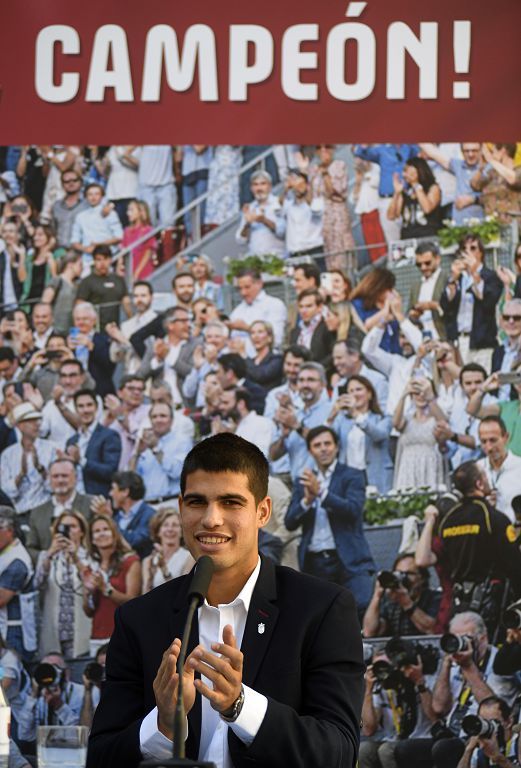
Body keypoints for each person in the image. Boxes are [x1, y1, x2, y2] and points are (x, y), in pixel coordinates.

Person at [87, 432, 364, 768]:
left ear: (263, 512)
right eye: (197, 502)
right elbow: (101, 757)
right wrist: (162, 724)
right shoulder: (139, 619)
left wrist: (240, 705)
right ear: (180, 508)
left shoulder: (321, 609)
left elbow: (338, 753)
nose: (211, 519)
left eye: (231, 502)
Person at [394, 612, 508, 768]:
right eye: (455, 638)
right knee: (404, 749)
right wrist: (446, 666)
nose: (459, 644)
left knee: (443, 749)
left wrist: (468, 666)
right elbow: (439, 707)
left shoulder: (498, 662)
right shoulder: (455, 661)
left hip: (478, 734)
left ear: (483, 639)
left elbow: (492, 705)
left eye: (465, 638)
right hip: (451, 732)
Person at [285, 425, 373, 619]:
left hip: (349, 559)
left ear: (337, 447)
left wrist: (322, 494)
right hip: (315, 562)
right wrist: (307, 501)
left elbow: (353, 510)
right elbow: (289, 522)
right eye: (317, 445)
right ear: (310, 450)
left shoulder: (352, 475)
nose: (323, 448)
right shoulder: (304, 481)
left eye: (327, 444)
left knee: (361, 608)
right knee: (321, 619)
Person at [432, 461, 521, 633]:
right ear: (479, 483)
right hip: (492, 602)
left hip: (458, 603)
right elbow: (515, 566)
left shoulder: (448, 520)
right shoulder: (493, 517)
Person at [35, 510, 92, 658]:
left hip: (80, 628)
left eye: (72, 526)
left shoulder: (90, 556)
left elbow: (92, 587)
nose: (68, 530)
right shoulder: (47, 556)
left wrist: (76, 558)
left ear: (82, 531)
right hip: (54, 629)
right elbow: (37, 584)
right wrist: (49, 554)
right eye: (63, 526)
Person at [440, 235, 503, 369]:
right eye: (464, 249)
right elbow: (445, 305)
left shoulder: (490, 276)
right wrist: (453, 279)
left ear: (481, 253)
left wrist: (475, 275)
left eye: (473, 248)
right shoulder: (457, 277)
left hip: (482, 341)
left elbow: (488, 302)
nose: (467, 253)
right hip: (459, 340)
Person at [82, 514, 141, 656]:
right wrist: (88, 592)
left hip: (122, 634)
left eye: (105, 529)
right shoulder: (91, 567)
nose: (101, 533)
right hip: (97, 636)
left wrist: (106, 589)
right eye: (96, 531)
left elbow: (133, 602)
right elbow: (88, 611)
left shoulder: (130, 561)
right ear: (92, 539)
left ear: (114, 534)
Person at [329, 375, 393, 493]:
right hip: (349, 477)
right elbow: (327, 440)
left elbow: (378, 435)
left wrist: (355, 413)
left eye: (358, 389)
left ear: (369, 394)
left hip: (375, 476)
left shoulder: (383, 419)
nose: (354, 394)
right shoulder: (342, 421)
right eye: (350, 391)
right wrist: (331, 416)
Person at [269, 361, 332, 481]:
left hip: (322, 484)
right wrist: (283, 437)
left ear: (323, 385)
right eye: (301, 380)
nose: (305, 384)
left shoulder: (331, 411)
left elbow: (323, 443)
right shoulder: (294, 414)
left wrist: (297, 427)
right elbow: (273, 456)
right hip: (295, 483)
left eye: (311, 380)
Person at [26, 457, 92, 564]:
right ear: (49, 479)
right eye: (55, 476)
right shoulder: (37, 512)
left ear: (75, 478)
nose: (60, 480)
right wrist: (48, 554)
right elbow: (30, 549)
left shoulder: (92, 504)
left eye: (64, 476)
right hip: (49, 574)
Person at [0, 402, 55, 524]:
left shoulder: (51, 448)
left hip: (45, 511)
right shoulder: (8, 454)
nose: (36, 425)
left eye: (37, 420)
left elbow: (54, 487)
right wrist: (21, 475)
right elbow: (7, 491)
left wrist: (41, 469)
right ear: (19, 426)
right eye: (30, 421)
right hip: (20, 514)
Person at [363, 553, 440, 637]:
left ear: (422, 578)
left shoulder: (435, 598)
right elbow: (369, 632)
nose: (403, 577)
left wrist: (407, 603)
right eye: (399, 573)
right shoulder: (390, 601)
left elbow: (431, 629)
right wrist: (377, 596)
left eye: (409, 573)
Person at [130, 401, 194, 503]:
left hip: (171, 503)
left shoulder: (183, 441)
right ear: (150, 420)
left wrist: (156, 449)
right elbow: (131, 479)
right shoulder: (144, 442)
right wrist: (137, 454)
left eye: (163, 416)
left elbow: (178, 472)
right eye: (154, 417)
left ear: (171, 420)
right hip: (147, 505)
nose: (158, 420)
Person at [393, 376, 447, 490]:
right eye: (416, 393)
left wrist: (430, 398)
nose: (421, 396)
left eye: (424, 393)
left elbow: (443, 423)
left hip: (430, 465)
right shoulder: (407, 419)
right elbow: (396, 424)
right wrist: (403, 395)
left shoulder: (436, 416)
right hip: (408, 467)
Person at [65, 388, 122, 496]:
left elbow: (110, 472)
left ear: (96, 408)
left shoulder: (109, 436)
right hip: (75, 500)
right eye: (81, 406)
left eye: (89, 405)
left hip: (98, 500)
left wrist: (81, 461)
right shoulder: (72, 440)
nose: (85, 410)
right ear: (76, 410)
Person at [0, 506, 37, 662]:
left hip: (12, 633)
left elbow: (1, 599)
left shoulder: (17, 561)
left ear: (9, 530)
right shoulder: (5, 553)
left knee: (7, 679)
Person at [308, 144, 354, 268]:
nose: (323, 151)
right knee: (327, 257)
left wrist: (325, 174)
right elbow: (310, 196)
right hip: (320, 219)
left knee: (341, 253)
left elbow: (335, 191)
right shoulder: (313, 169)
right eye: (318, 147)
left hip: (337, 215)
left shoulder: (339, 165)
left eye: (327, 146)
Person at [419, 143, 484, 225]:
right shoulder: (458, 165)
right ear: (462, 152)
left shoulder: (488, 168)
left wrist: (474, 200)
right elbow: (433, 152)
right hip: (459, 224)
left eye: (474, 151)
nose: (470, 154)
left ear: (481, 151)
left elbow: (498, 198)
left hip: (481, 225)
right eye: (466, 151)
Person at [228, 269, 287, 357]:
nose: (243, 293)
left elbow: (276, 339)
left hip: (266, 362)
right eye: (240, 288)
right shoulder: (237, 311)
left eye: (247, 287)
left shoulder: (274, 305)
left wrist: (247, 328)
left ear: (259, 284)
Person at [466, 362, 521, 457]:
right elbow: (473, 410)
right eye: (518, 376)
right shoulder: (506, 407)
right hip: (503, 465)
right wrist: (483, 389)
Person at [70, 182, 123, 273]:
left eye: (96, 194)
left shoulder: (110, 213)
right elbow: (74, 241)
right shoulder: (80, 216)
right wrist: (86, 249)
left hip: (108, 257)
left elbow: (119, 236)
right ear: (86, 197)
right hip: (87, 259)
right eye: (90, 194)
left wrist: (99, 245)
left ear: (102, 196)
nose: (93, 197)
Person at [477, 415, 521, 523]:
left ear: (506, 437)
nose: (489, 447)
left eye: (493, 440)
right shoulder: (476, 469)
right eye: (484, 441)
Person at [76, 244, 131, 327]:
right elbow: (79, 306)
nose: (102, 263)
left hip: (116, 327)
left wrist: (132, 320)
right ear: (94, 261)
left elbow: (126, 303)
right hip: (95, 328)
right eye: (98, 259)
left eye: (105, 259)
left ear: (111, 260)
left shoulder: (119, 280)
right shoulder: (87, 282)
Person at [68, 301, 116, 397]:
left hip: (99, 390)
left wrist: (91, 347)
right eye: (78, 319)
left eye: (85, 319)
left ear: (94, 321)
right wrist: (69, 351)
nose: (81, 323)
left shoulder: (104, 339)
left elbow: (110, 365)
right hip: (74, 389)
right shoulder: (69, 339)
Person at [455, 695, 519, 768]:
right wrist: (468, 751)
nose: (488, 726)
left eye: (493, 721)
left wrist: (501, 760)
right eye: (484, 721)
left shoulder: (517, 744)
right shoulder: (481, 750)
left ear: (509, 722)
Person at [387, 156, 442, 239]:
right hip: (407, 237)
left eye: (407, 171)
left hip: (427, 236)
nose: (404, 174)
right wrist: (396, 193)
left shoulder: (433, 188)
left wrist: (415, 184)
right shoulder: (405, 192)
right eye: (404, 171)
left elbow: (427, 208)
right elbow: (391, 216)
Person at [141, 507, 194, 593]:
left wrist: (164, 569)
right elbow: (144, 595)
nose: (170, 529)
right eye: (165, 525)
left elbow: (181, 592)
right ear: (158, 532)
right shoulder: (148, 561)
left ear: (182, 532)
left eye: (175, 525)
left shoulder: (189, 557)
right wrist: (151, 575)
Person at [350, 268, 402, 354]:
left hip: (392, 355)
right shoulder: (358, 303)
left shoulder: (388, 304)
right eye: (388, 289)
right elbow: (365, 326)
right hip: (373, 355)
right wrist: (385, 310)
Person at [235, 170, 285, 256]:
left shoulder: (279, 203)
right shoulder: (249, 208)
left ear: (270, 186)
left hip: (277, 258)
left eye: (263, 184)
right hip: (255, 260)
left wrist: (264, 220)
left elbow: (282, 232)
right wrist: (247, 225)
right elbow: (240, 240)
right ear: (251, 188)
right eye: (255, 185)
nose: (259, 188)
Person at [107, 471, 156, 558]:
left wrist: (110, 523)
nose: (110, 493)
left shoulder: (150, 515)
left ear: (125, 492)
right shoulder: (117, 517)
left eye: (113, 489)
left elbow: (136, 541)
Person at [408, 241, 448, 340]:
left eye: (427, 263)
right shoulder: (416, 286)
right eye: (419, 264)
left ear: (437, 259)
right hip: (423, 340)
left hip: (444, 337)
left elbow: (455, 310)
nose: (423, 267)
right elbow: (410, 313)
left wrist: (433, 305)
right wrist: (414, 314)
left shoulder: (447, 279)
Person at [289, 288, 337, 370]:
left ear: (320, 307)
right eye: (301, 306)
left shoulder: (327, 327)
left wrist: (315, 369)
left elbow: (333, 354)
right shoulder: (295, 331)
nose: (304, 310)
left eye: (309, 306)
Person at [41, 249, 83, 335]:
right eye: (80, 264)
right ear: (71, 265)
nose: (81, 268)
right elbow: (44, 303)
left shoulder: (77, 284)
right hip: (55, 329)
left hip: (71, 330)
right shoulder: (57, 281)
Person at [137, 145, 177, 228]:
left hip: (166, 184)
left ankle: (167, 241)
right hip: (146, 185)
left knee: (168, 223)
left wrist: (177, 172)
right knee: (148, 222)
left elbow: (176, 155)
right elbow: (126, 152)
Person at [50, 169, 90, 247]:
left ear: (81, 182)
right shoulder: (56, 206)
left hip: (82, 250)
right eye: (67, 181)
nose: (71, 183)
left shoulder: (88, 204)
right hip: (60, 249)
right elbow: (53, 229)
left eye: (74, 180)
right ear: (62, 185)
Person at [121, 199, 158, 280]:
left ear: (141, 212)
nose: (128, 213)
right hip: (128, 269)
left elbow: (147, 253)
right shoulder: (127, 231)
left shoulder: (147, 230)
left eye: (131, 210)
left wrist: (137, 273)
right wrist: (119, 268)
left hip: (143, 270)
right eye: (128, 210)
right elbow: (123, 250)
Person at [244, 320, 283, 393]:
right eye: (252, 333)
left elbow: (260, 376)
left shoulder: (277, 360)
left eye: (260, 332)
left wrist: (243, 355)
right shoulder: (250, 361)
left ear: (269, 337)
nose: (256, 336)